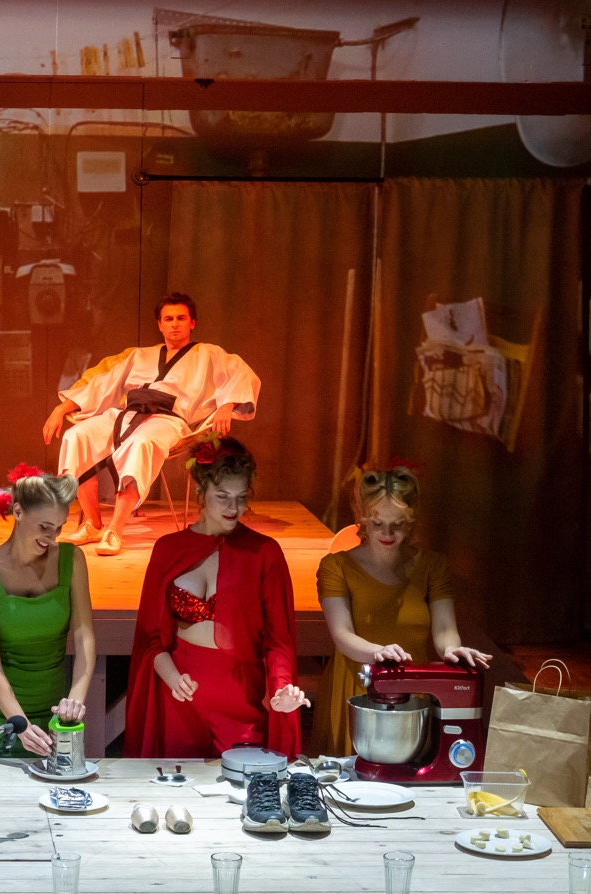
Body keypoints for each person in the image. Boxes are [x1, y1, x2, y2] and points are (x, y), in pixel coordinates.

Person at [124, 438, 306, 758]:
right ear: (201, 492)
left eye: (241, 497)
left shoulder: (265, 553)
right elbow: (150, 638)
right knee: (177, 784)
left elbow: (278, 639)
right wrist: (172, 677)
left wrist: (281, 686)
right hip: (179, 694)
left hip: (240, 697)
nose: (233, 508)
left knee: (246, 783)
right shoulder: (168, 549)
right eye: (222, 497)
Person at [42, 293, 259, 557]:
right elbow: (102, 385)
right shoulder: (140, 356)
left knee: (141, 443)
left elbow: (241, 374)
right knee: (77, 436)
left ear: (192, 323)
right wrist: (61, 408)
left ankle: (115, 529)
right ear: (159, 324)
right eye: (168, 319)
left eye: (181, 318)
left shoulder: (208, 354)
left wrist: (227, 405)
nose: (174, 324)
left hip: (168, 420)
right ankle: (93, 523)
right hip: (126, 413)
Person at [314, 466, 492, 756]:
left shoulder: (433, 566)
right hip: (356, 687)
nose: (387, 533)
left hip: (413, 690)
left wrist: (452, 650)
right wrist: (378, 652)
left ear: (410, 522)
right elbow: (342, 634)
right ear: (363, 519)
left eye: (397, 524)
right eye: (377, 523)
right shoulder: (336, 567)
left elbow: (445, 630)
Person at [0, 467, 96, 757]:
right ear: (17, 511)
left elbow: (85, 636)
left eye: (59, 528)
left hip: (51, 712)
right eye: (44, 527)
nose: (52, 538)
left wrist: (75, 701)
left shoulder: (73, 560)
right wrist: (20, 724)